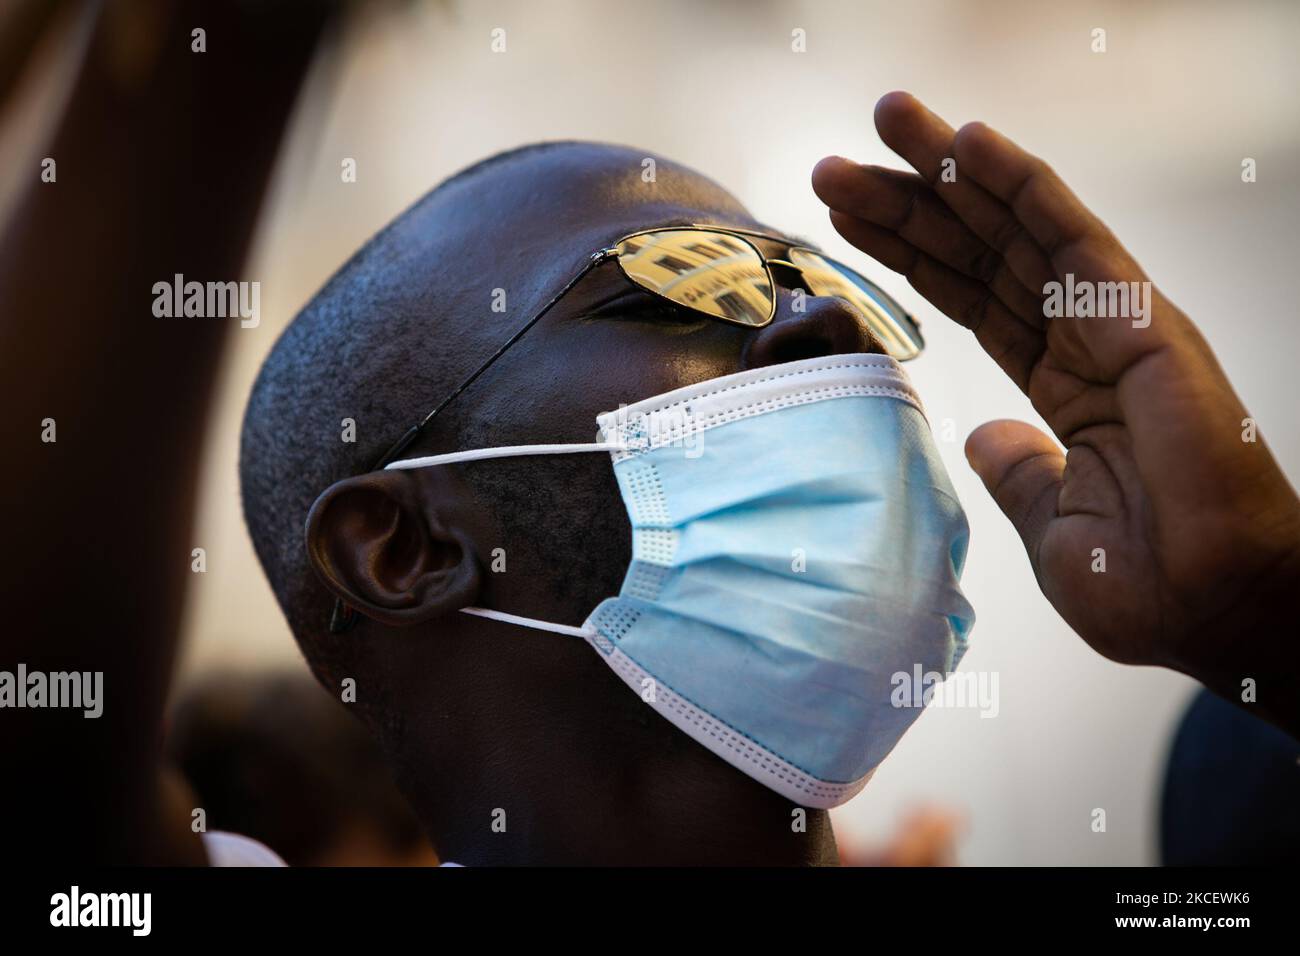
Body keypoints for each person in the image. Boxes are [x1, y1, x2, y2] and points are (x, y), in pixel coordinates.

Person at [239, 95, 1300, 866]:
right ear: (402, 549)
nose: (824, 322)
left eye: (823, 279)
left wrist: (1269, 624)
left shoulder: (1240, 794)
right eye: (685, 280)